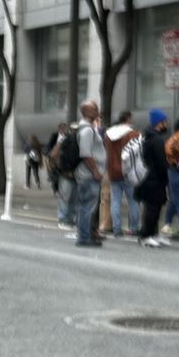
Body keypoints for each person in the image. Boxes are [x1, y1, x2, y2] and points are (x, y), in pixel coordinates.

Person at [73, 99, 106, 247]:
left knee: (85, 207)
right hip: (89, 175)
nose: (97, 111)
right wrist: (95, 171)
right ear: (85, 112)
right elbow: (86, 153)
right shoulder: (87, 130)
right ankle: (84, 237)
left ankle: (85, 235)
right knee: (87, 207)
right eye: (94, 109)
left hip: (89, 174)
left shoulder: (88, 129)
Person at [136, 111, 172, 249]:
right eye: (165, 122)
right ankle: (146, 236)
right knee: (153, 209)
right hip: (154, 179)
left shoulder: (145, 136)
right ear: (159, 123)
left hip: (146, 177)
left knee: (152, 208)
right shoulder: (156, 140)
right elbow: (161, 162)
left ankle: (152, 233)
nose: (166, 124)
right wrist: (166, 174)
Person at [104, 111, 138, 239]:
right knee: (133, 201)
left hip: (113, 171)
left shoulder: (108, 134)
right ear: (128, 119)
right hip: (128, 172)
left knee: (115, 201)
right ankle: (134, 228)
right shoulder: (132, 134)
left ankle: (116, 228)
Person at [47, 121, 75, 226]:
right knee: (65, 196)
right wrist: (59, 167)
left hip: (71, 172)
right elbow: (52, 154)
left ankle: (69, 218)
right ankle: (63, 217)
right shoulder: (63, 140)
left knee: (71, 197)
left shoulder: (75, 141)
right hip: (65, 172)